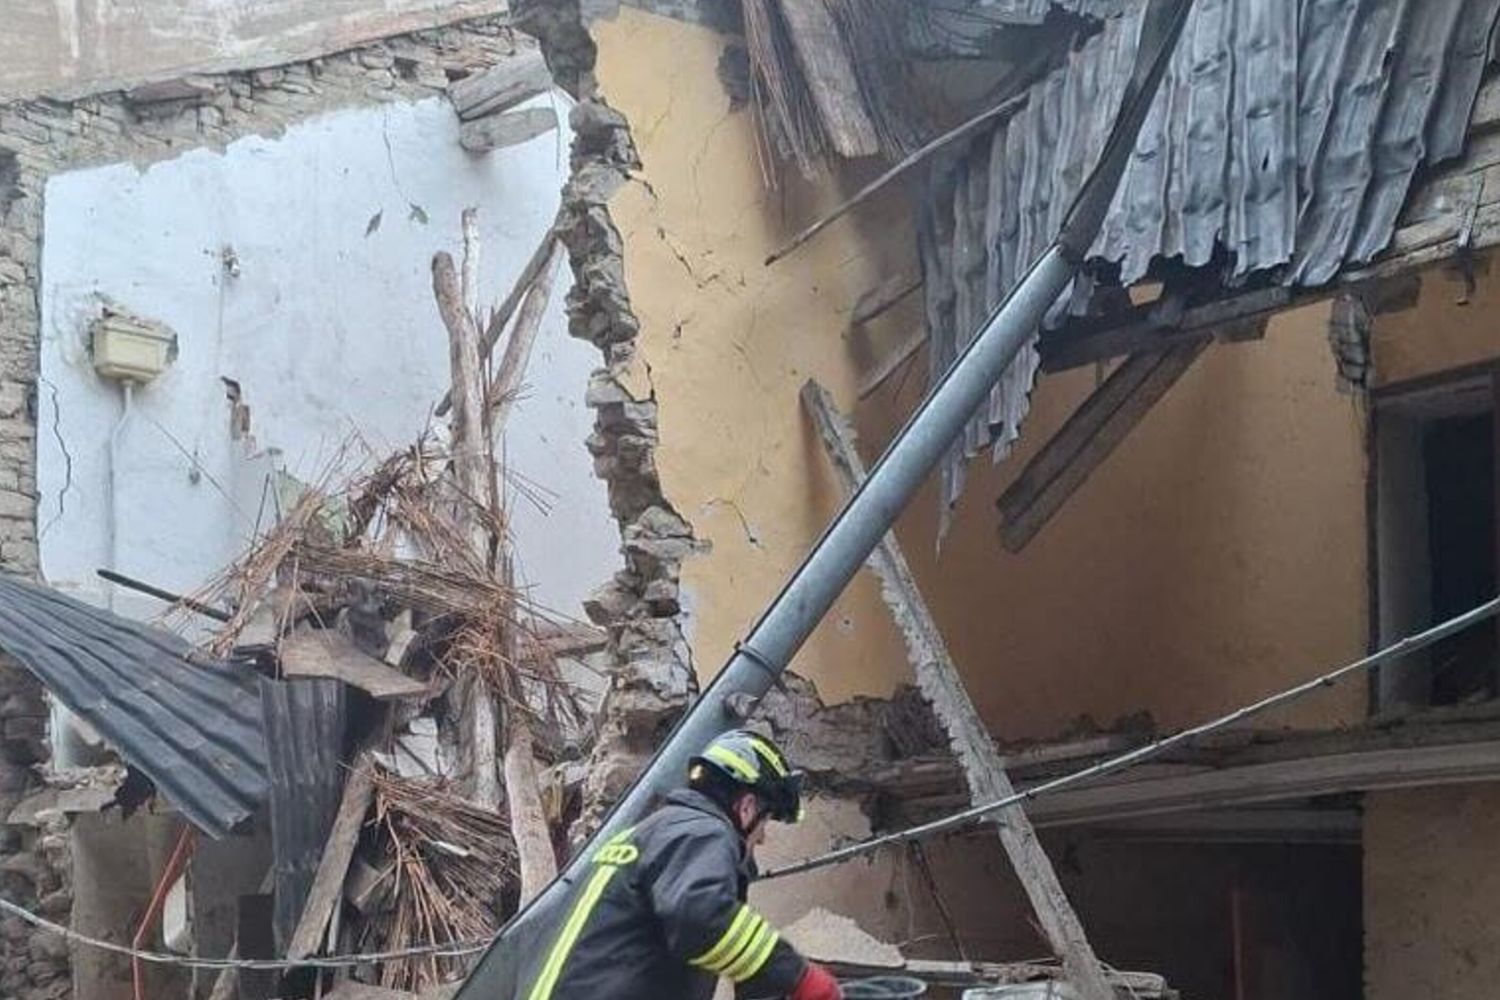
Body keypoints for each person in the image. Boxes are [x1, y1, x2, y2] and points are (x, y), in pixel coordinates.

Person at [517, 730, 844, 1000]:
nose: (762, 840)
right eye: (766, 823)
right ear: (746, 807)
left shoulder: (651, 832)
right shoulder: (702, 831)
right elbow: (699, 916)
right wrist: (800, 978)